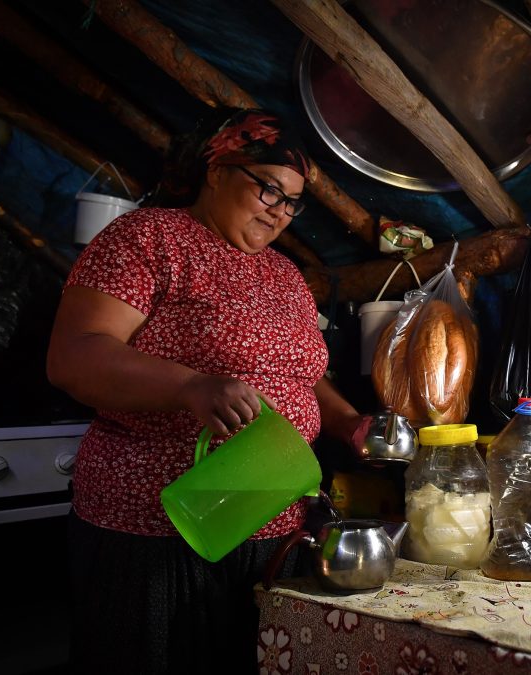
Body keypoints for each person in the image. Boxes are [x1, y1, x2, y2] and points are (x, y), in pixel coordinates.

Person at [47, 108, 370, 674]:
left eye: (292, 202)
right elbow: (75, 355)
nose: (280, 212)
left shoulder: (286, 274)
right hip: (155, 526)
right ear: (217, 170)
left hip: (269, 521)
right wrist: (190, 386)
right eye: (269, 189)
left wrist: (349, 423)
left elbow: (300, 374)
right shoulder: (149, 239)